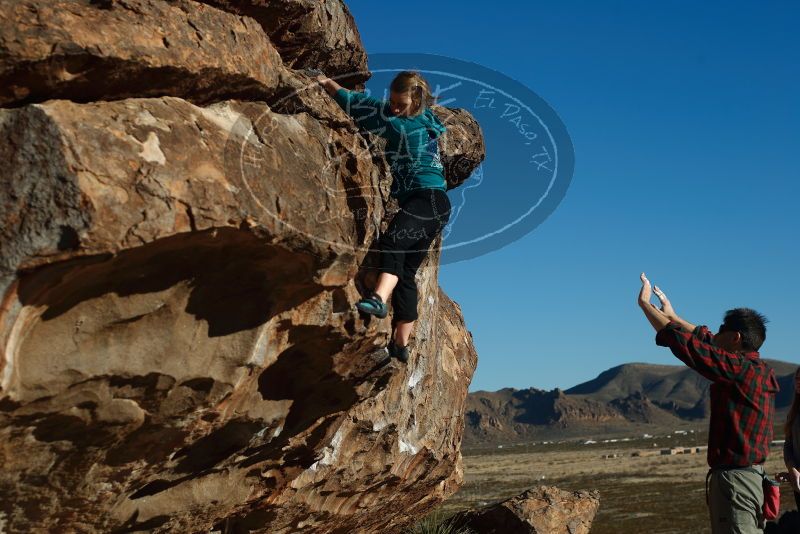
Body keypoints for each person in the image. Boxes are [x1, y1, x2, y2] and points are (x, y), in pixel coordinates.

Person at [315, 70, 451, 363]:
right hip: (437, 205)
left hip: (426, 199)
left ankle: (377, 298)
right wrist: (329, 83)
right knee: (405, 272)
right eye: (392, 101)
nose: (394, 108)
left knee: (393, 241)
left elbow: (357, 105)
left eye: (401, 104)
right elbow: (370, 105)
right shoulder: (428, 119)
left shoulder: (401, 125)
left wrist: (326, 84)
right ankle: (401, 345)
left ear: (415, 102)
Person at [637, 273, 779, 534]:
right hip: (744, 478)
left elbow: (688, 346)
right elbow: (706, 341)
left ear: (735, 337)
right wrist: (674, 316)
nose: (716, 334)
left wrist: (646, 307)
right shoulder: (756, 369)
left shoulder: (739, 370)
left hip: (736, 480)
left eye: (722, 330)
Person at [783, 367, 800, 510]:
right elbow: (788, 445)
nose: (799, 382)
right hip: (798, 482)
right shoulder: (793, 413)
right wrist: (791, 468)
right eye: (797, 379)